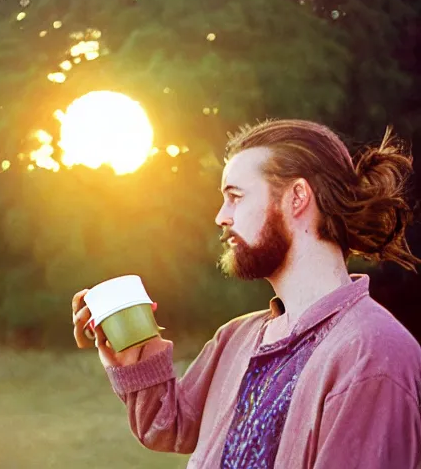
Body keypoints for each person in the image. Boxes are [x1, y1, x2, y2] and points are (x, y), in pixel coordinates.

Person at [72, 119, 421, 468]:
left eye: (235, 197)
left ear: (297, 197)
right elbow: (171, 426)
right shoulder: (238, 337)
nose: (221, 217)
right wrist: (133, 353)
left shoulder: (374, 354)